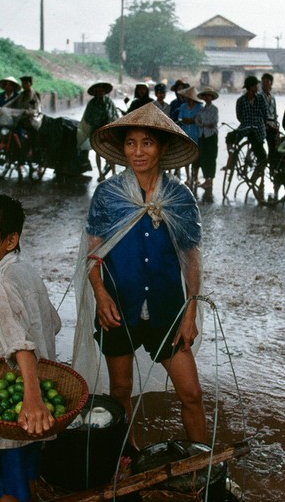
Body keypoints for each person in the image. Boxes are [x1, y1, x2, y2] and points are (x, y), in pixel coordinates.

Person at [72, 103, 206, 445]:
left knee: (191, 393)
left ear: (162, 147)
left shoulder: (179, 196)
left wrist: (190, 311)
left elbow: (191, 257)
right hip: (119, 305)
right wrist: (100, 293)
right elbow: (94, 252)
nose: (138, 151)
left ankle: (203, 461)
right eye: (130, 143)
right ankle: (128, 455)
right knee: (120, 391)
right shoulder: (109, 194)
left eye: (147, 143)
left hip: (167, 308)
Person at [0, 195, 61, 502]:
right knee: (24, 479)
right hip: (35, 392)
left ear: (9, 240)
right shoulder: (24, 270)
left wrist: (31, 400)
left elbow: (21, 346)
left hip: (17, 407)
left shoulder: (2, 283)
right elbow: (52, 323)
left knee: (4, 489)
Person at [77, 80, 120, 182]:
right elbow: (88, 118)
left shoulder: (109, 102)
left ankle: (113, 173)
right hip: (96, 131)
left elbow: (114, 115)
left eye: (101, 88)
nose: (100, 91)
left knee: (110, 152)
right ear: (95, 91)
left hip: (108, 131)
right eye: (98, 89)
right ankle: (100, 173)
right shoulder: (91, 104)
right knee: (98, 152)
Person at [235, 75, 268, 162]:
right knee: (230, 138)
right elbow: (239, 116)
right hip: (245, 127)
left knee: (261, 155)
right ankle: (232, 161)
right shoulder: (241, 100)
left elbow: (265, 114)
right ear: (250, 87)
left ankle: (259, 170)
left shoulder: (260, 98)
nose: (257, 87)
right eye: (255, 85)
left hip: (258, 129)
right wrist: (246, 122)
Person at [195, 86, 220, 193]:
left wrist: (203, 123)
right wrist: (204, 123)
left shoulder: (214, 109)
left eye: (209, 95)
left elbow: (214, 122)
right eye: (205, 96)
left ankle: (211, 180)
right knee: (204, 158)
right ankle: (206, 180)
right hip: (203, 135)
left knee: (212, 157)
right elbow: (197, 120)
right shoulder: (201, 109)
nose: (207, 97)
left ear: (211, 97)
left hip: (211, 136)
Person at [177, 86, 202, 187]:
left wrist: (191, 120)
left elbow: (199, 119)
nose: (188, 100)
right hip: (186, 133)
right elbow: (180, 118)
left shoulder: (200, 107)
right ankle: (188, 177)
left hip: (197, 134)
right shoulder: (183, 106)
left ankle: (195, 176)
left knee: (196, 157)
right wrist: (187, 120)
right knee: (187, 156)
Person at [259, 73, 280, 162]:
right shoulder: (259, 96)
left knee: (276, 146)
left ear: (271, 83)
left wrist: (276, 125)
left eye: (268, 82)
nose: (265, 84)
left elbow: (275, 113)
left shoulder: (272, 97)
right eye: (263, 82)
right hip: (262, 125)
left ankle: (273, 166)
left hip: (272, 124)